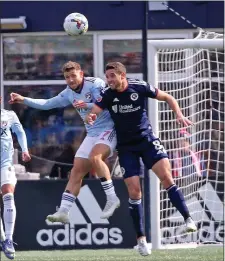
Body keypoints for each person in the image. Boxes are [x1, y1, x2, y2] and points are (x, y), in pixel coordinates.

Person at [85, 62, 197, 256]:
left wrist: (178, 114)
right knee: (135, 191)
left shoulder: (140, 87)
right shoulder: (108, 94)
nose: (109, 80)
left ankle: (188, 219)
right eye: (107, 76)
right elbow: (95, 110)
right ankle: (141, 240)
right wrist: (91, 117)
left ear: (122, 75)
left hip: (147, 141)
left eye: (112, 76)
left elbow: (167, 97)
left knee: (167, 179)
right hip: (127, 148)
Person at [9, 61, 120, 224]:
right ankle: (63, 211)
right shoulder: (69, 93)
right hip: (92, 134)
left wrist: (87, 105)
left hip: (109, 129)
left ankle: (112, 198)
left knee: (96, 158)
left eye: (73, 76)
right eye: (67, 77)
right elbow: (47, 104)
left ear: (81, 74)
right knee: (76, 170)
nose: (70, 80)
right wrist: (23, 99)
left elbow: (106, 103)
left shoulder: (95, 84)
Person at [1, 97, 31, 259]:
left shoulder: (9, 115)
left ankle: (8, 239)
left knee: (8, 194)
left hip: (5, 163)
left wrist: (25, 149)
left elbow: (19, 132)